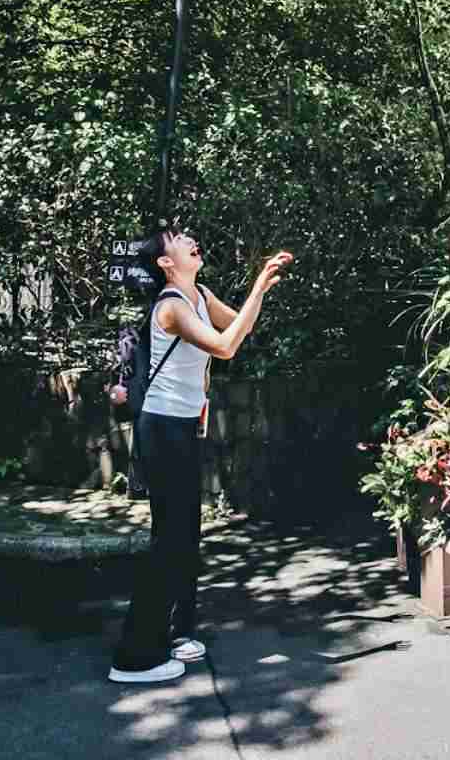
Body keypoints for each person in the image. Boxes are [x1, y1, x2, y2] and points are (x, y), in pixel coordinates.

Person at [108, 229, 293, 684]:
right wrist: (256, 288)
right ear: (165, 263)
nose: (191, 240)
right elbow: (226, 346)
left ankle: (174, 632)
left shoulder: (200, 294)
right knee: (167, 542)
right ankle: (134, 657)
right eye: (178, 239)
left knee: (185, 536)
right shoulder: (170, 307)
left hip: (185, 428)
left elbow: (238, 328)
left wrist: (261, 290)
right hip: (163, 429)